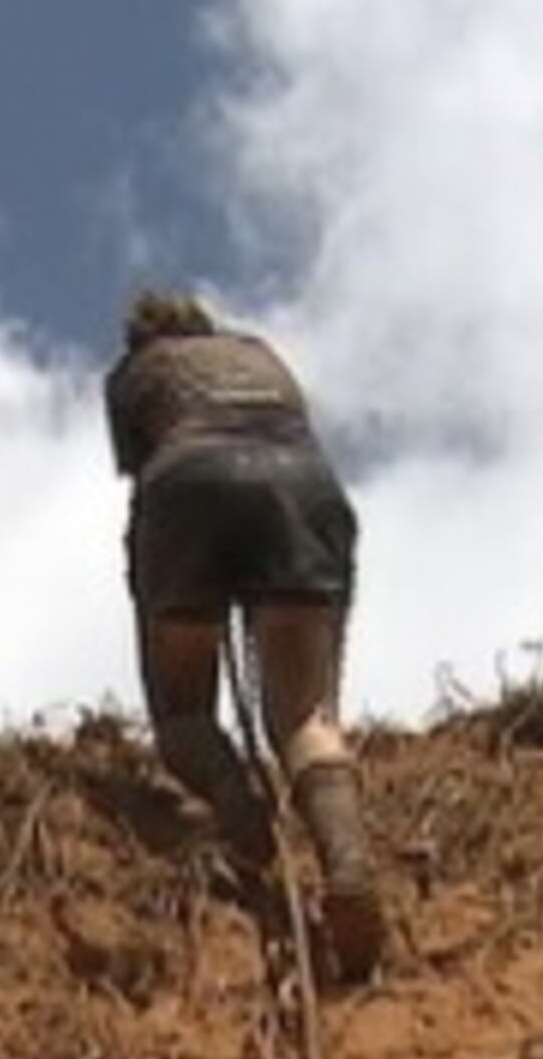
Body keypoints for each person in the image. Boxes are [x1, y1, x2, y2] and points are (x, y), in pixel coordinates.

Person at [104, 288, 385, 983]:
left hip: (184, 488)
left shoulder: (133, 376)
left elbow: (140, 470)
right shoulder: (259, 353)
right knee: (301, 714)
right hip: (301, 486)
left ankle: (237, 810)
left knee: (184, 711)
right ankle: (345, 861)